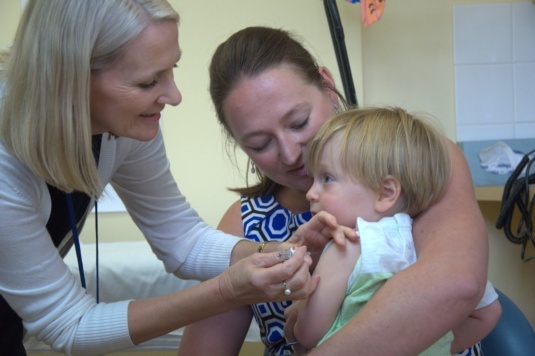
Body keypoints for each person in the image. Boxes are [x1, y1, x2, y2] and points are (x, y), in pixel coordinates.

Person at [0, 2, 352, 355]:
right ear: (71, 80)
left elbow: (181, 239)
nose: (174, 96)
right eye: (149, 81)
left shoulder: (128, 129)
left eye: (172, 69)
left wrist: (272, 252)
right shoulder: (6, 167)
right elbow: (68, 323)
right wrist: (228, 289)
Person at [179, 26, 492, 355]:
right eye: (261, 144)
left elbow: (459, 285)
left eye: (299, 122)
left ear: (327, 86)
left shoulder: (418, 164)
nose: (290, 154)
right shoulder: (244, 227)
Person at [291, 106, 501, 355]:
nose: (310, 194)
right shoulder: (429, 247)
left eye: (326, 178)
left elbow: (308, 333)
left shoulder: (348, 245)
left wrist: (297, 310)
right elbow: (489, 313)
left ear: (386, 193)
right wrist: (437, 347)